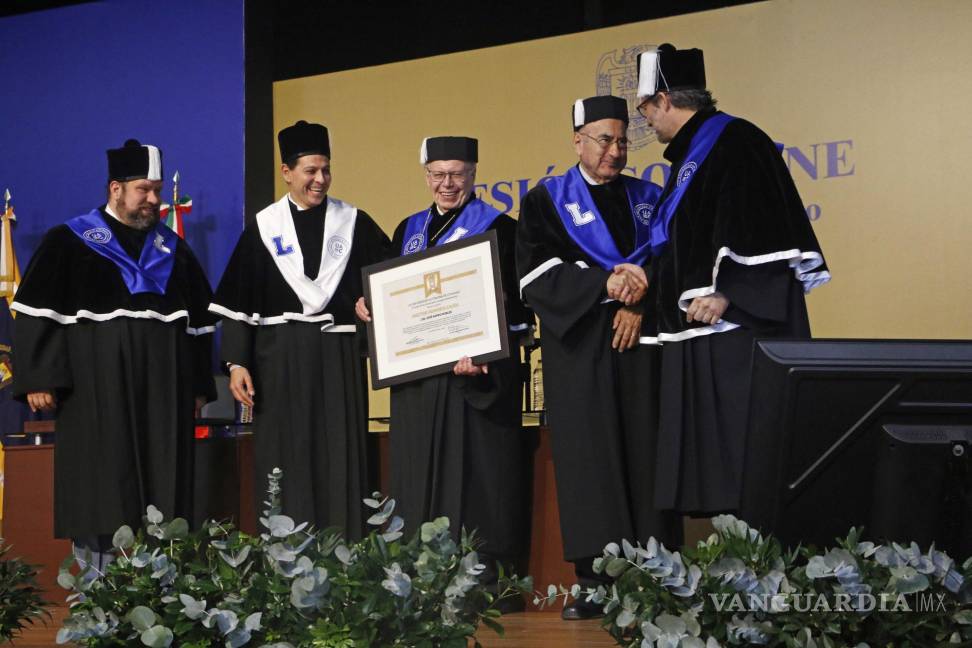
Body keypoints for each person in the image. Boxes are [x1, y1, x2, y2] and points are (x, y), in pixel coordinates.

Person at [633, 44, 830, 515]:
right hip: (709, 337)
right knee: (723, 480)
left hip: (740, 335)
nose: (645, 121)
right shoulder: (687, 159)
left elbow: (760, 225)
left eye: (645, 109)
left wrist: (727, 292)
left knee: (750, 465)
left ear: (664, 99)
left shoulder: (736, 141)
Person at [12, 139, 217, 568]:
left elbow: (198, 324)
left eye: (157, 190)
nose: (154, 200)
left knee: (165, 485)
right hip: (94, 391)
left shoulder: (173, 250)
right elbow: (36, 312)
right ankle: (99, 597)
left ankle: (163, 590)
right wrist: (39, 379)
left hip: (164, 393)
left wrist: (199, 386)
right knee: (102, 484)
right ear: (115, 188)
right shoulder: (69, 242)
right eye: (144, 189)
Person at [516, 96, 682, 620]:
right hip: (582, 352)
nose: (615, 150)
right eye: (604, 140)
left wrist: (642, 301)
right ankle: (593, 579)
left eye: (622, 140)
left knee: (646, 456)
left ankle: (658, 573)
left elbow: (674, 262)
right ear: (578, 140)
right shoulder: (546, 202)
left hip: (641, 349)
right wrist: (606, 288)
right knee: (590, 462)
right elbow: (535, 277)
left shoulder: (651, 197)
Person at [356, 136, 533, 598]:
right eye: (437, 174)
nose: (447, 184)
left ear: (474, 174)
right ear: (426, 175)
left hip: (475, 379)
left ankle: (485, 581)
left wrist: (486, 354)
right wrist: (369, 307)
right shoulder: (407, 230)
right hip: (420, 385)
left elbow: (516, 306)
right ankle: (421, 578)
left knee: (481, 477)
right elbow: (393, 302)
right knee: (418, 475)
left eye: (457, 174)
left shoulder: (502, 228)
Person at [210, 120, 390, 537]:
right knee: (284, 453)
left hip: (337, 354)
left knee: (340, 450)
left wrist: (369, 301)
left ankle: (347, 552)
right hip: (280, 357)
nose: (320, 179)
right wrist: (237, 362)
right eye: (310, 170)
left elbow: (385, 279)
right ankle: (286, 555)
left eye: (325, 169)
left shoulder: (355, 223)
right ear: (287, 172)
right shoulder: (264, 228)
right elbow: (239, 301)